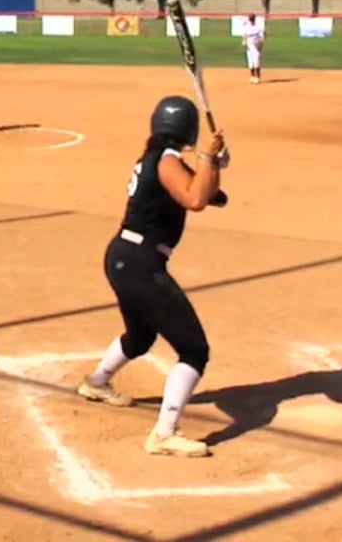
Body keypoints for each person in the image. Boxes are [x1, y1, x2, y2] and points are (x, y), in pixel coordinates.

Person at [74, 95, 230, 457]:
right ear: (188, 130)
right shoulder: (167, 161)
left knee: (141, 336)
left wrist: (214, 164)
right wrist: (206, 158)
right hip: (140, 263)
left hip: (124, 257)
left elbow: (212, 195)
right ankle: (164, 434)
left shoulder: (158, 158)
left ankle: (96, 383)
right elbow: (195, 200)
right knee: (194, 350)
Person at [241, 15, 264, 84]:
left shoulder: (258, 28)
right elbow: (244, 35)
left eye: (252, 19)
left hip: (255, 46)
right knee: (250, 62)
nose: (251, 20)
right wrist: (244, 40)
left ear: (254, 19)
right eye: (250, 19)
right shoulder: (246, 27)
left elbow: (262, 37)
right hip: (249, 46)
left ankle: (258, 77)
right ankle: (252, 76)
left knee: (256, 61)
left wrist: (261, 44)